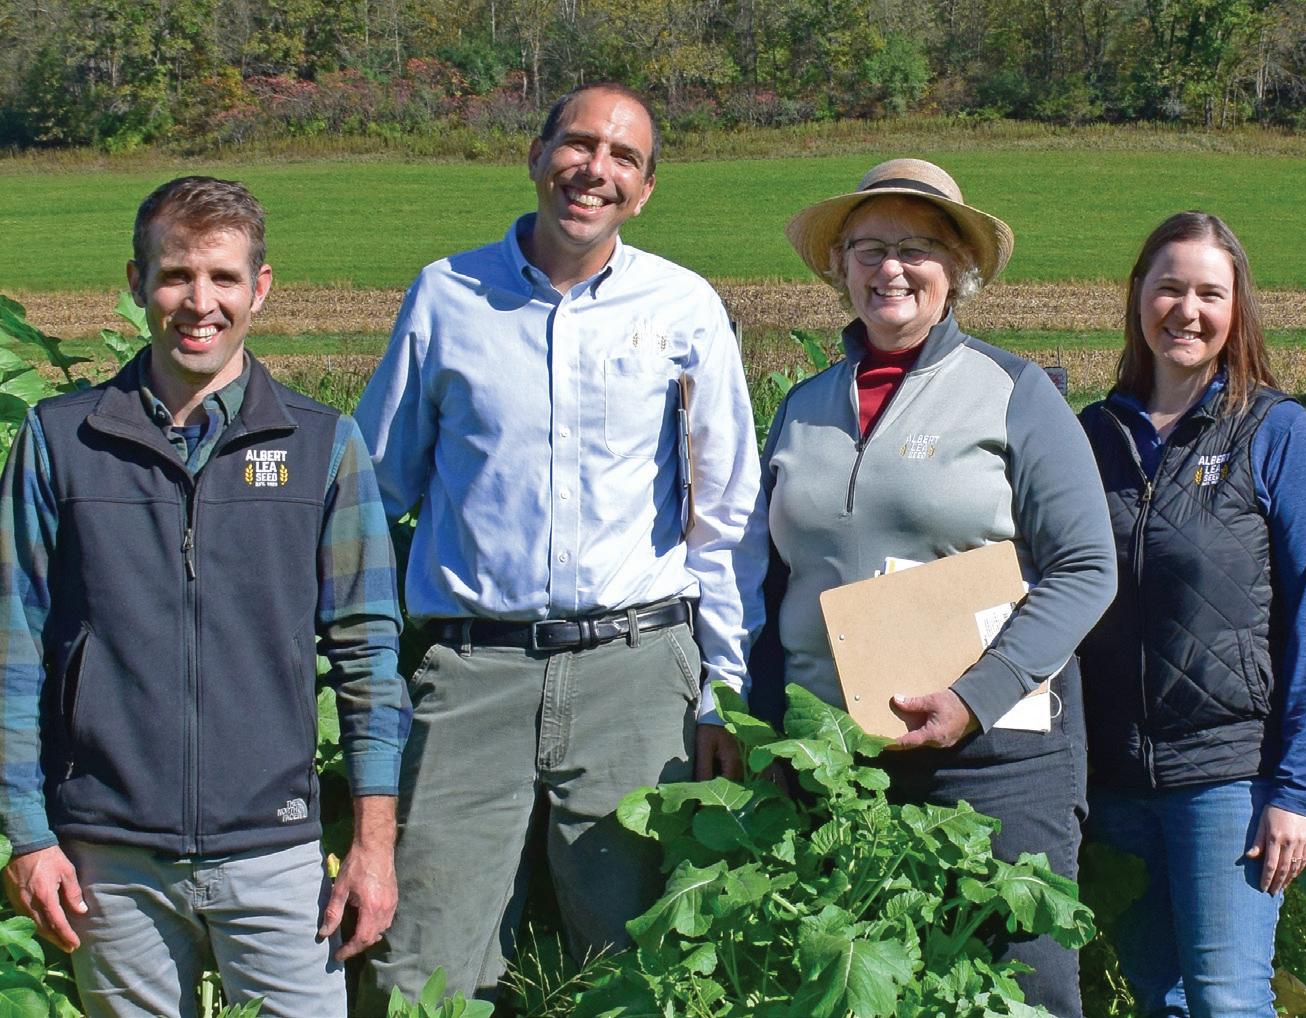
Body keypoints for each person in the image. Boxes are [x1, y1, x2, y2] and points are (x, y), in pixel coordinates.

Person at [351, 81, 766, 1007]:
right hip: (473, 672)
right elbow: (375, 491)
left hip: (636, 674)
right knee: (420, 968)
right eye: (578, 145)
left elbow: (725, 518)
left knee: (637, 967)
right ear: (536, 156)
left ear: (645, 190)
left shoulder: (683, 306)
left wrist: (722, 692)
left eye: (624, 158)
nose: (595, 171)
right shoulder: (447, 295)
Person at [0, 176, 408, 1018]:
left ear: (260, 287)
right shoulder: (60, 442)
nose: (199, 302)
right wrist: (28, 834)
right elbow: (12, 645)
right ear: (136, 283)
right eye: (176, 275)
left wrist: (373, 846)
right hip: (108, 859)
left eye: (223, 277)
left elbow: (368, 656)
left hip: (276, 850)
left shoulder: (323, 446)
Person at [755, 158, 1116, 1018]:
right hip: (839, 764)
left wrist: (975, 696)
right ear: (839, 265)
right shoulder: (801, 407)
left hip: (994, 762)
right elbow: (769, 579)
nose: (891, 268)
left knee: (1017, 995)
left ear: (957, 268)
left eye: (916, 247)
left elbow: (1086, 568)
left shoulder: (1014, 392)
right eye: (868, 247)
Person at [1076, 212, 1306, 1017]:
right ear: (1137, 297)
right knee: (1159, 1001)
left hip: (1228, 779)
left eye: (1208, 293)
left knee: (1226, 1000)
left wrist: (1296, 789)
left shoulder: (1275, 433)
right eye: (1168, 288)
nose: (1186, 311)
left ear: (1236, 309)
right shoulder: (1091, 437)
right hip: (1114, 782)